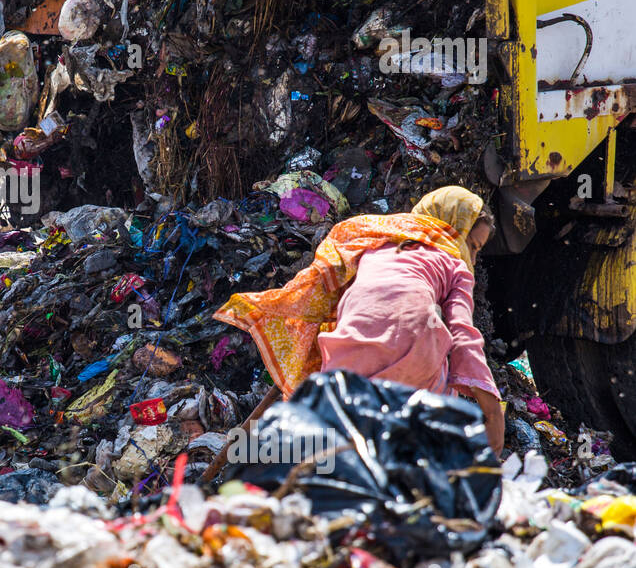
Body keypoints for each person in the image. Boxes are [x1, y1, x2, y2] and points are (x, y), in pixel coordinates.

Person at [215, 185, 503, 453]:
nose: (473, 260)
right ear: (454, 229)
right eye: (473, 247)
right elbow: (463, 333)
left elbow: (352, 300)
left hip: (348, 346)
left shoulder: (374, 242)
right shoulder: (455, 266)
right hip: (416, 352)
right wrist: (491, 411)